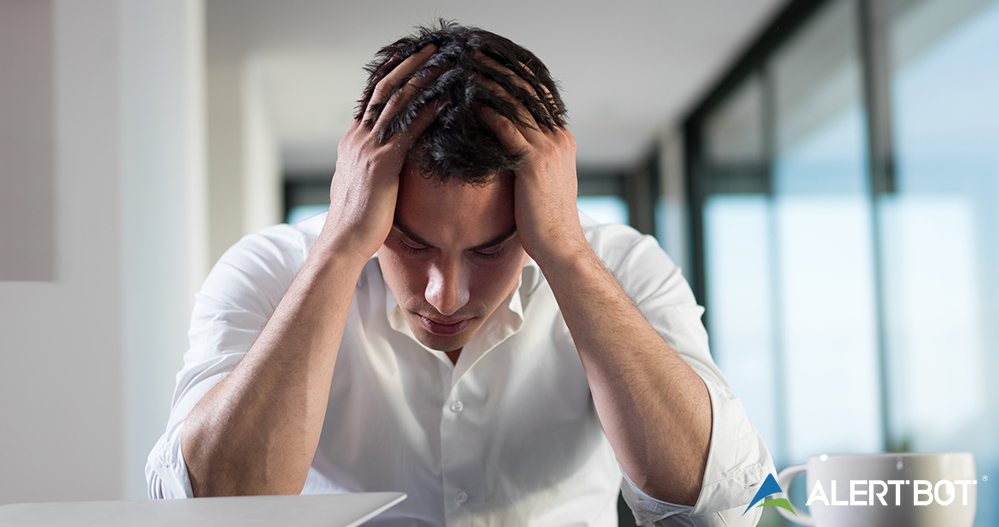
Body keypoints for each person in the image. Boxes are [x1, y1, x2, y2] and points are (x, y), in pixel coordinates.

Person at [147, 20, 774, 526]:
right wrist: (341, 246)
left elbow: (725, 508)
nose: (444, 296)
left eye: (489, 249)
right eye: (411, 245)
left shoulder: (625, 267)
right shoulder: (269, 270)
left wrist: (565, 252)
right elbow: (205, 511)